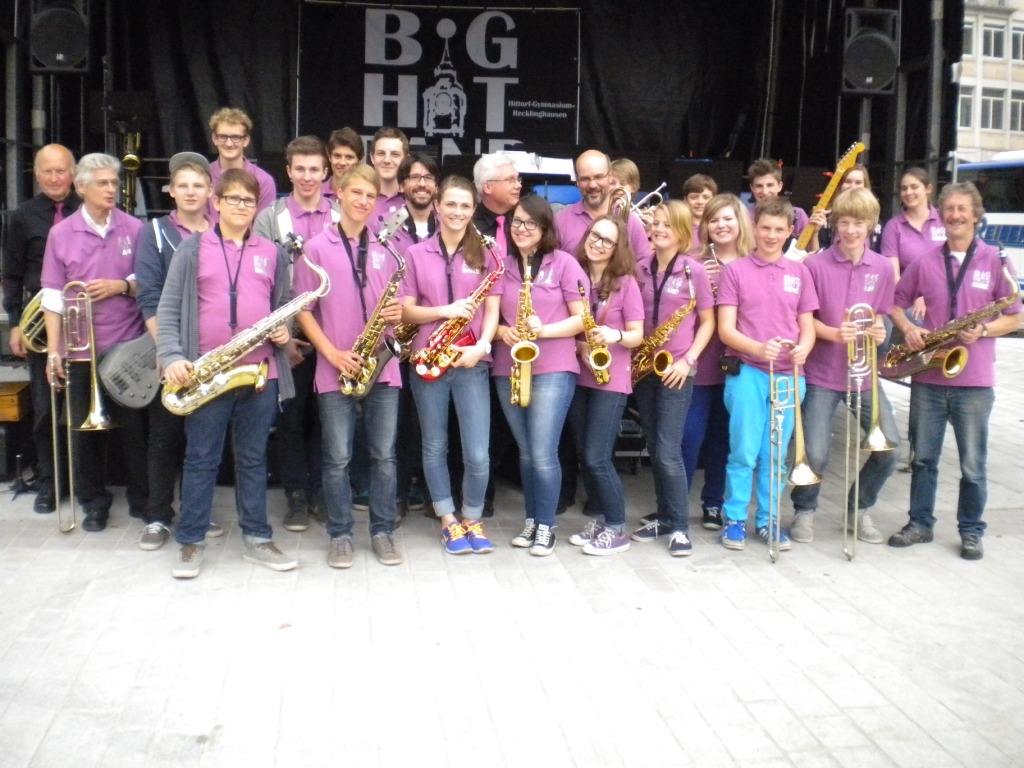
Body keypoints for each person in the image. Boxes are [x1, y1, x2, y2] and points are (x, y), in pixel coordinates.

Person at [158, 169, 297, 578]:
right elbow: (168, 307)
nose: (241, 206)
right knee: (201, 458)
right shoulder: (192, 248)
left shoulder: (272, 252)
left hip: (260, 372)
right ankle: (191, 540)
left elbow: (283, 305)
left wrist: (285, 331)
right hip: (207, 373)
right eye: (233, 199)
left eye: (248, 201)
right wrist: (172, 356)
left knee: (253, 459)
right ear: (216, 202)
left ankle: (257, 537)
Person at [887, 182, 1021, 561]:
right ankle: (920, 523)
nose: (955, 215)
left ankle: (971, 531)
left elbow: (1015, 317)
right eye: (949, 209)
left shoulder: (995, 260)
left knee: (973, 465)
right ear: (941, 215)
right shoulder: (925, 261)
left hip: (975, 380)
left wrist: (984, 330)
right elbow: (894, 302)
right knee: (923, 459)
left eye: (963, 209)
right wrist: (909, 328)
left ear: (976, 215)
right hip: (929, 375)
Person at [294, 164, 406, 569]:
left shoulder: (386, 248)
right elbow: (304, 311)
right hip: (335, 365)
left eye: (370, 195)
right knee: (337, 458)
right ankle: (340, 535)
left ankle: (383, 531)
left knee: (384, 456)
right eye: (356, 192)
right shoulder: (315, 247)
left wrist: (398, 312)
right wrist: (332, 353)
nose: (363, 201)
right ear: (338, 192)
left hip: (382, 366)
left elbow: (399, 306)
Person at [40, 152, 149, 532]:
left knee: (135, 431)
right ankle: (93, 503)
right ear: (81, 186)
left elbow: (148, 282)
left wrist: (121, 286)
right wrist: (54, 352)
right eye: (102, 183)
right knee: (82, 434)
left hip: (127, 345)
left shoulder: (134, 227)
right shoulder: (61, 234)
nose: (111, 189)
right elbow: (52, 297)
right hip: (81, 349)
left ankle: (142, 498)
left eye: (113, 182)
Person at [788, 188, 900, 545]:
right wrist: (835, 334)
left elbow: (879, 316)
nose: (851, 230)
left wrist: (879, 332)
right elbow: (804, 319)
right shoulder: (814, 265)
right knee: (815, 452)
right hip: (822, 374)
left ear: (871, 225)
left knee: (890, 448)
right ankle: (805, 510)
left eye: (859, 223)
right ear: (835, 224)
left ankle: (859, 508)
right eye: (845, 222)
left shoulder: (882, 267)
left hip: (863, 375)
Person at [401, 176, 502, 554]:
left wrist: (482, 346)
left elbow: (492, 309)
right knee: (434, 446)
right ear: (437, 207)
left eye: (465, 206)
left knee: (478, 453)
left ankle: (472, 517)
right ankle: (447, 520)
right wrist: (445, 311)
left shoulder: (487, 254)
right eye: (451, 204)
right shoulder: (416, 254)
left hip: (470, 361)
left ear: (473, 210)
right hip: (428, 360)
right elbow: (406, 311)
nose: (457, 212)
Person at [717, 197, 819, 551]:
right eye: (765, 228)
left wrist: (804, 347)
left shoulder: (800, 273)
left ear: (790, 231)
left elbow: (807, 325)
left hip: (789, 376)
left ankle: (768, 520)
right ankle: (734, 519)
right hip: (748, 371)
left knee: (774, 455)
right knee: (743, 452)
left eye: (779, 229)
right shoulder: (736, 271)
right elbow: (725, 329)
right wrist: (758, 349)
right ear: (754, 228)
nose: (771, 235)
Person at [134, 151, 223, 550]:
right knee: (165, 436)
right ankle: (157, 516)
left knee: (203, 440)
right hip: (171, 351)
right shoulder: (154, 232)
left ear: (210, 191)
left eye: (198, 185)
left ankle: (196, 511)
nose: (190, 192)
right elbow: (149, 297)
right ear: (170, 190)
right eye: (182, 185)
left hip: (210, 354)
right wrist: (166, 351)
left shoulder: (220, 232)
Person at [254, 135, 339, 533]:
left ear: (326, 173)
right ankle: (295, 496)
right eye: (300, 169)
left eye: (314, 169)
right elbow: (260, 281)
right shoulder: (270, 218)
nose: (307, 177)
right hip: (287, 336)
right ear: (288, 171)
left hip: (334, 335)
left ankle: (321, 492)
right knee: (290, 420)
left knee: (328, 418)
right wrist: (283, 338)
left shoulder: (340, 213)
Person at [493, 194, 587, 556]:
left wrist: (543, 330)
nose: (522, 229)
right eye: (516, 222)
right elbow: (489, 319)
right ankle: (532, 519)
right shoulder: (502, 265)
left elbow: (583, 319)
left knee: (544, 451)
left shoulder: (564, 263)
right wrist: (503, 331)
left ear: (545, 228)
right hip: (510, 366)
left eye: (530, 223)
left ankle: (547, 525)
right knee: (526, 452)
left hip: (553, 367)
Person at [628, 201, 715, 556]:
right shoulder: (639, 268)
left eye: (668, 224)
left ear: (682, 232)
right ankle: (664, 516)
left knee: (667, 450)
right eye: (656, 223)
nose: (659, 229)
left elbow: (708, 321)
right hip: (644, 367)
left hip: (676, 370)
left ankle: (679, 527)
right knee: (655, 446)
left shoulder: (695, 271)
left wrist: (689, 360)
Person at [2, 144, 78, 514]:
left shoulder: (88, 209)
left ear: (73, 173)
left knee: (81, 405)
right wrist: (16, 324)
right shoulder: (22, 216)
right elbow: (13, 274)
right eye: (47, 171)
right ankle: (50, 482)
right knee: (46, 408)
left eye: (61, 170)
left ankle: (87, 482)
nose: (54, 178)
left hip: (83, 318)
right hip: (39, 322)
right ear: (36, 174)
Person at [565, 215, 644, 555]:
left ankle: (616, 527)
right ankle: (600, 521)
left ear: (617, 249)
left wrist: (614, 334)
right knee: (586, 455)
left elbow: (637, 335)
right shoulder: (575, 275)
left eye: (607, 240)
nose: (598, 243)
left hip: (611, 380)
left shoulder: (626, 283)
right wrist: (579, 344)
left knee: (598, 457)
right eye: (595, 235)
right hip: (579, 373)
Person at [678, 193, 754, 532]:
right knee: (689, 436)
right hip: (700, 360)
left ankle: (713, 503)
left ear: (740, 223)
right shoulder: (692, 261)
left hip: (738, 363)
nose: (721, 225)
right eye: (714, 220)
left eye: (727, 218)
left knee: (724, 440)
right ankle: (675, 504)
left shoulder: (753, 262)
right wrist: (702, 287)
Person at [556, 150, 652, 260]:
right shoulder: (560, 222)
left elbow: (644, 265)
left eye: (599, 177)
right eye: (585, 179)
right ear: (577, 181)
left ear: (610, 177)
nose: (592, 185)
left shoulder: (630, 221)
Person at [207, 107, 277, 213]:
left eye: (235, 137)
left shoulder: (264, 181)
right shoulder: (203, 177)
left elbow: (263, 222)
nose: (229, 143)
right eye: (223, 137)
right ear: (214, 139)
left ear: (246, 140)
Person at [880, 167, 945, 278]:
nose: (908, 192)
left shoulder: (944, 219)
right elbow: (893, 276)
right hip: (909, 289)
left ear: (928, 189)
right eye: (904, 188)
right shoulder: (893, 227)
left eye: (914, 187)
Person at [746, 157, 810, 244]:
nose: (765, 191)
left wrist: (815, 233)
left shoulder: (797, 215)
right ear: (752, 188)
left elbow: (811, 250)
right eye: (759, 186)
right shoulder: (743, 217)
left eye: (770, 185)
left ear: (780, 186)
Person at [369, 127, 410, 228]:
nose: (387, 160)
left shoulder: (415, 198)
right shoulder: (360, 198)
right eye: (381, 153)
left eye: (395, 154)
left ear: (406, 160)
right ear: (372, 158)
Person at [322, 127, 365, 199]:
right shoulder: (316, 192)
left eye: (349, 157)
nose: (342, 163)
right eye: (337, 156)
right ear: (329, 157)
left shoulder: (366, 196)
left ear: (359, 161)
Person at [682, 173, 718, 247]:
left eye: (706, 197)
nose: (700, 202)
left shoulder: (720, 227)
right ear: (685, 200)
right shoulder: (678, 229)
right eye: (694, 197)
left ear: (714, 200)